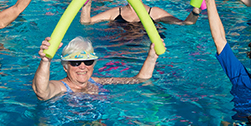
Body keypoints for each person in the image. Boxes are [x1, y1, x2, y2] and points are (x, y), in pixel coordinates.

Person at [32, 36, 160, 101]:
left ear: (93, 65)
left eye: (88, 62)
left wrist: (152, 56)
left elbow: (138, 80)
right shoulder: (61, 87)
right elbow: (42, 93)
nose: (83, 66)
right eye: (75, 63)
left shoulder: (95, 81)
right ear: (66, 67)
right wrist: (45, 61)